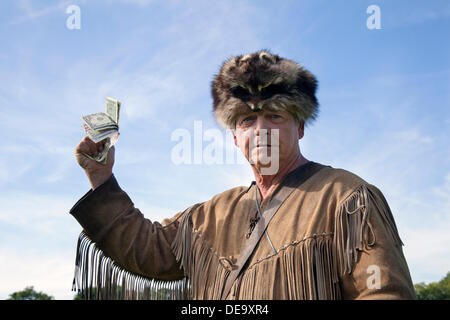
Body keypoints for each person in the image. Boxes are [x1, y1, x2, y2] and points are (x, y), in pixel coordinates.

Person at [71, 50, 416, 300]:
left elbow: (383, 293)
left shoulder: (347, 197)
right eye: (247, 121)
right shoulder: (212, 214)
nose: (261, 130)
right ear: (235, 136)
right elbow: (147, 249)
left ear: (300, 126)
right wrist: (102, 179)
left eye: (275, 116)